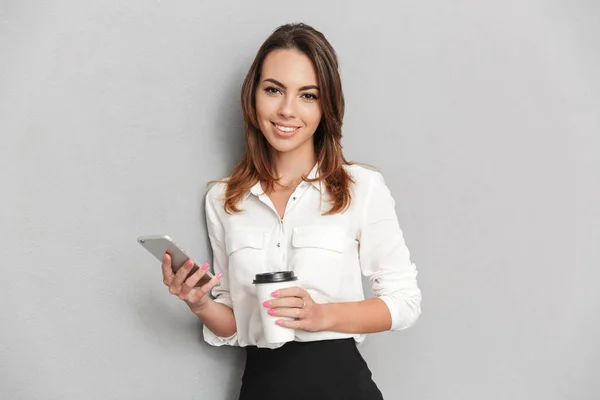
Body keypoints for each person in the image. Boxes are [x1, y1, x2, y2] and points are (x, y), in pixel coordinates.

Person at [160, 22, 422, 400]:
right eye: (274, 90)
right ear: (253, 97)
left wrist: (322, 315)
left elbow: (405, 302)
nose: (287, 110)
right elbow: (235, 324)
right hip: (261, 388)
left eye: (308, 95)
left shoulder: (361, 188)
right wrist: (199, 303)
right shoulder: (224, 199)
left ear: (326, 105)